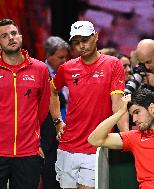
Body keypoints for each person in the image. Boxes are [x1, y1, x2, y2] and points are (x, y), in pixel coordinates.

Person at [50, 20, 128, 189]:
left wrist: (127, 137)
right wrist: (57, 121)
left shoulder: (113, 64)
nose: (81, 46)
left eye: (85, 40)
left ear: (96, 37)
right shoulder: (66, 68)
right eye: (76, 42)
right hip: (67, 145)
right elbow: (52, 91)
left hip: (96, 147)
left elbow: (118, 105)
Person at [0, 18, 50, 189]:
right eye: (4, 36)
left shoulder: (40, 69)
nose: (11, 38)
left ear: (20, 36)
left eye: (13, 33)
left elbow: (43, 109)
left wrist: (35, 140)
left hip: (28, 153)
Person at [40, 36, 70, 189]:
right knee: (50, 176)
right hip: (48, 135)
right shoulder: (40, 73)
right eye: (60, 57)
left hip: (69, 133)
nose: (64, 61)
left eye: (66, 57)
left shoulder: (69, 72)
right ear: (48, 55)